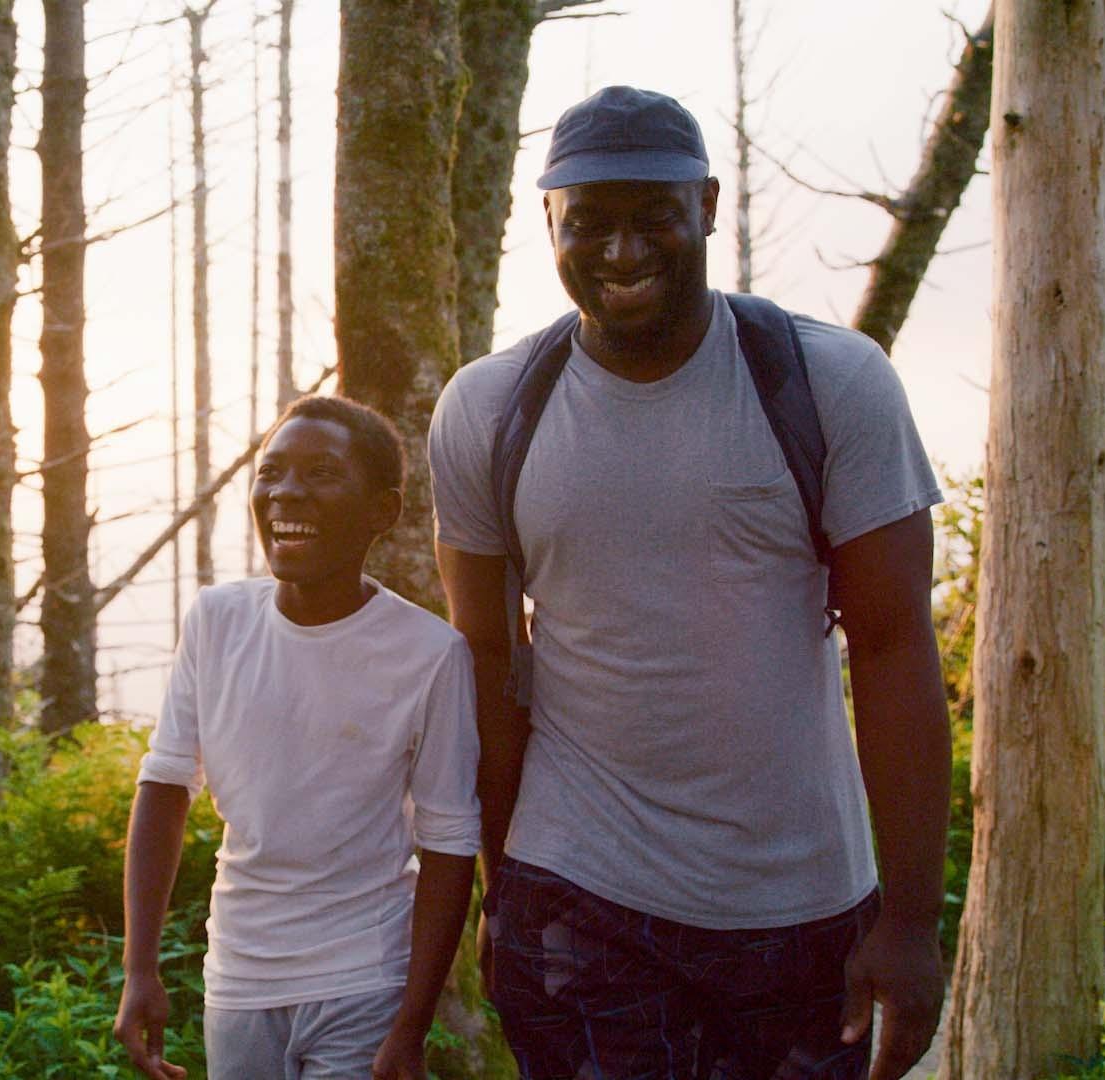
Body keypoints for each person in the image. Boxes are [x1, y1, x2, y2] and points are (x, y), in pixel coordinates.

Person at [428, 85, 952, 1080]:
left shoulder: (830, 384)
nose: (621, 253)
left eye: (652, 218)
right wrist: (506, 896)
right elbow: (491, 661)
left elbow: (891, 647)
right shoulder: (489, 411)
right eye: (587, 223)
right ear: (548, 222)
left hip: (800, 907)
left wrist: (912, 923)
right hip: (579, 892)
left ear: (707, 206)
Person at [113, 394, 482, 1080]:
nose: (287, 492)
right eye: (272, 470)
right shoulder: (217, 621)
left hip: (363, 982)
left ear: (384, 511)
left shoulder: (429, 654)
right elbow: (165, 785)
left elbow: (450, 844)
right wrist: (140, 968)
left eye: (322, 473)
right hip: (238, 980)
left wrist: (412, 1021)